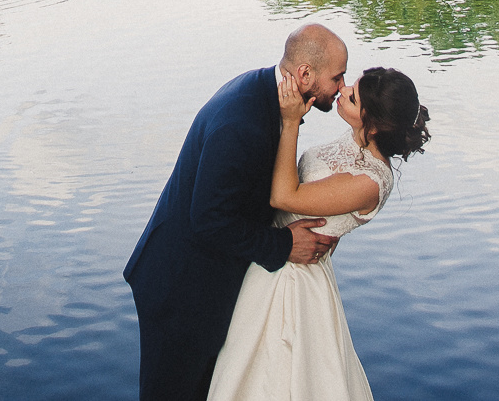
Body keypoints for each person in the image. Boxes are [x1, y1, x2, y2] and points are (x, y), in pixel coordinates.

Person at [125, 25, 351, 401]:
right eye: (337, 76)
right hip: (181, 291)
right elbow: (209, 219)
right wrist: (283, 244)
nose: (342, 87)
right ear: (305, 74)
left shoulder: (264, 92)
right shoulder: (242, 122)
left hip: (200, 284)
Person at [208, 65, 431, 400]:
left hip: (293, 279)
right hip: (277, 254)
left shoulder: (370, 181)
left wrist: (289, 122)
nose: (343, 91)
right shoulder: (356, 140)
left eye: (353, 96)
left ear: (372, 126)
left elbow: (283, 196)